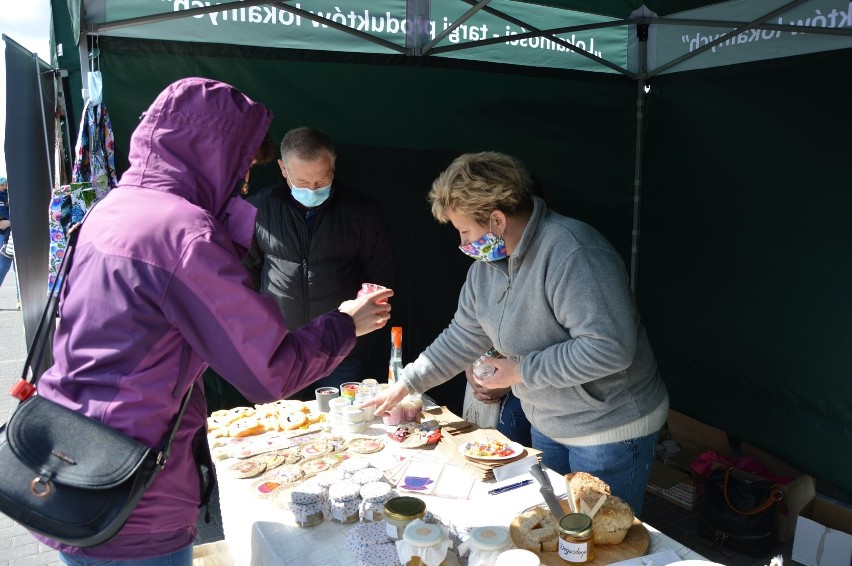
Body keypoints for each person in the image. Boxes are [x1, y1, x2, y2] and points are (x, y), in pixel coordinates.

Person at [32, 77, 393, 565]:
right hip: (129, 482)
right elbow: (272, 369)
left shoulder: (113, 207)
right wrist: (346, 323)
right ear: (213, 154)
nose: (244, 181)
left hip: (71, 455)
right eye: (243, 165)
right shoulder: (182, 232)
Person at [361, 151, 668, 517]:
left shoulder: (572, 252)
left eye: (465, 231)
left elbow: (610, 348)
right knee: (554, 530)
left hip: (612, 429)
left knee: (601, 542)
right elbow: (463, 335)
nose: (461, 243)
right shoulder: (486, 267)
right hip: (549, 421)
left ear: (497, 219)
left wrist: (519, 370)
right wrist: (407, 383)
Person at [243, 127, 395, 400]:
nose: (312, 190)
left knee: (343, 431)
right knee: (285, 431)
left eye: (322, 181)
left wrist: (363, 329)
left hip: (343, 350)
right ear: (282, 169)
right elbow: (246, 272)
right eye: (302, 182)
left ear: (333, 165)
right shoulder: (258, 209)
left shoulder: (361, 212)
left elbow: (381, 277)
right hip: (281, 349)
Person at [0, 176, 20, 308]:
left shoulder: (12, 196)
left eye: (6, 185)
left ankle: (21, 299)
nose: (5, 187)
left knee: (19, 270)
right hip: (3, 236)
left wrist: (11, 222)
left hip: (15, 233)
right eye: (3, 185)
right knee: (2, 267)